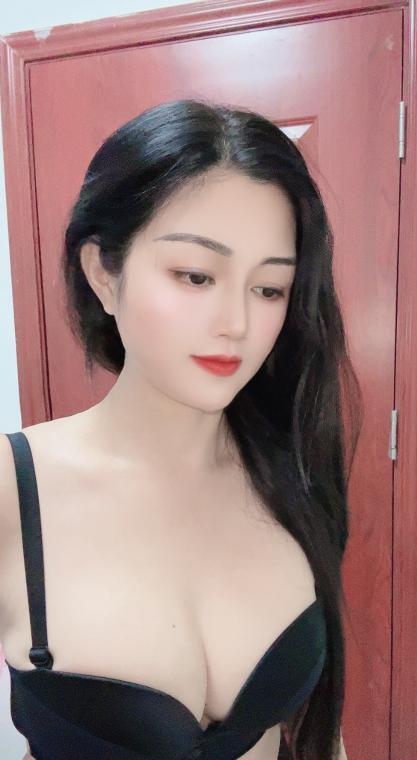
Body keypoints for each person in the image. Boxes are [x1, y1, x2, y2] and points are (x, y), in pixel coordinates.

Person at [0, 99, 361, 760]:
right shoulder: (12, 489)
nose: (236, 324)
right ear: (102, 273)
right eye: (196, 275)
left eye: (269, 289)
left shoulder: (291, 470)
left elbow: (318, 733)